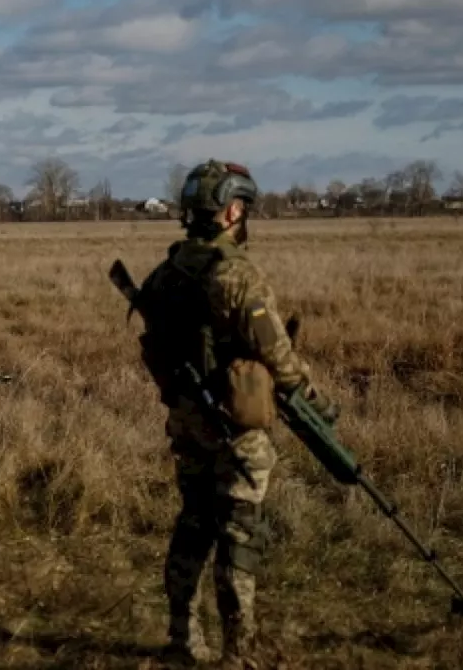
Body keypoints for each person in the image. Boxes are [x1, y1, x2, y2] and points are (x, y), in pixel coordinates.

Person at [134, 160, 338, 667]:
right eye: (243, 207)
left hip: (185, 419)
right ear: (231, 210)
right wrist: (316, 403)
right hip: (235, 425)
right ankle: (240, 651)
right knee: (239, 531)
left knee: (193, 522)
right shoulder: (237, 274)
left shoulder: (166, 272)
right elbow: (278, 357)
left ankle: (183, 637)